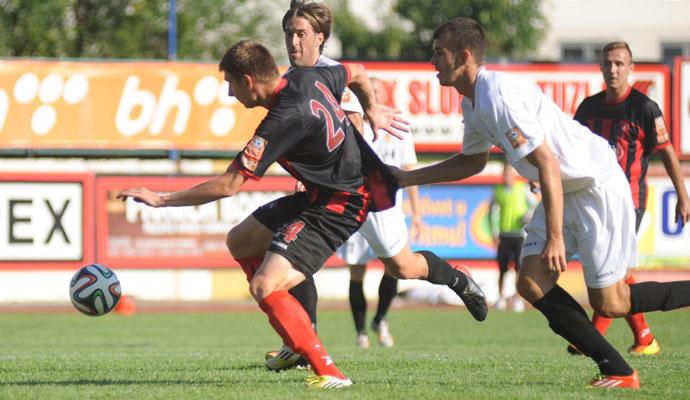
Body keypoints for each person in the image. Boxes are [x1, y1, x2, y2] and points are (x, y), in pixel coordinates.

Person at [392, 17, 690, 390]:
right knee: (531, 283)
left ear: (464, 56)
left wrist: (555, 238)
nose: (432, 62)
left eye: (439, 54)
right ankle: (618, 370)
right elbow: (473, 161)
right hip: (562, 187)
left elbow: (547, 161)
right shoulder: (472, 102)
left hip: (595, 185)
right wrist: (407, 177)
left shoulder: (498, 96)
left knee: (612, 303)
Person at [117, 39, 409, 388]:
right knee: (241, 241)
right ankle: (294, 338)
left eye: (230, 84)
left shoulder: (282, 118)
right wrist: (371, 107)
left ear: (248, 81)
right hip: (323, 194)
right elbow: (358, 73)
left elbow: (228, 185)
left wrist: (161, 199)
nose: (230, 93)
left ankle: (326, 370)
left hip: (340, 204)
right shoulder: (308, 77)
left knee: (264, 285)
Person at [263, 0, 487, 371]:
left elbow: (347, 132)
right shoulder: (293, 75)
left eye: (300, 34)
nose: (293, 41)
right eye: (288, 33)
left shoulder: (332, 73)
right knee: (289, 255)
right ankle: (302, 343)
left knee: (402, 266)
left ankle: (456, 278)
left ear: (320, 39)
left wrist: (367, 111)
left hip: (360, 190)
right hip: (328, 192)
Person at [569, 41, 690, 357]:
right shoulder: (588, 109)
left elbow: (667, 153)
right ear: (600, 67)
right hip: (593, 201)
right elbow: (570, 152)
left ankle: (591, 339)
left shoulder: (645, 108)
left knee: (615, 270)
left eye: (619, 64)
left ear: (631, 68)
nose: (613, 70)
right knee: (614, 270)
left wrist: (682, 194)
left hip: (629, 203)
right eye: (608, 63)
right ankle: (645, 337)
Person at [338, 77, 422, 349]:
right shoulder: (350, 124)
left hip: (389, 210)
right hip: (356, 210)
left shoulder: (398, 124)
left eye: (374, 92)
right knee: (357, 272)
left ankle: (381, 318)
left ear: (382, 95)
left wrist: (417, 213)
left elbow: (408, 170)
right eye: (364, 92)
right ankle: (361, 332)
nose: (369, 96)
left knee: (396, 268)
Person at [488, 162, 532, 312]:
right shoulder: (498, 191)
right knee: (502, 269)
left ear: (514, 174)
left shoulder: (522, 188)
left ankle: (517, 299)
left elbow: (533, 205)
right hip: (504, 235)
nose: (507, 176)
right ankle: (500, 299)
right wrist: (494, 232)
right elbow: (491, 212)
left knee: (519, 269)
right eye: (505, 173)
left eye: (510, 173)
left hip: (520, 235)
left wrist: (528, 216)